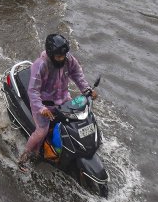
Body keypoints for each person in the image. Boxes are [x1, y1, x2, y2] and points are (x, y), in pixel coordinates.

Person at [17, 34, 98, 172]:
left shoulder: (68, 59)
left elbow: (77, 74)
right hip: (43, 105)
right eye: (59, 56)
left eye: (64, 55)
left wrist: (87, 89)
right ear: (50, 53)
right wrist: (41, 108)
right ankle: (25, 156)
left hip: (63, 100)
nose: (62, 58)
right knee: (41, 131)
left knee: (77, 121)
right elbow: (33, 91)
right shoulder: (40, 65)